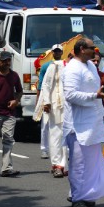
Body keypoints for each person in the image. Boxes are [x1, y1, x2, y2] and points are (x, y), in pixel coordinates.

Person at [62, 36, 104, 207]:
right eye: (91, 48)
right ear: (80, 50)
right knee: (78, 164)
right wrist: (94, 96)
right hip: (77, 124)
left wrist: (100, 96)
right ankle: (77, 198)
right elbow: (70, 95)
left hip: (92, 122)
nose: (95, 51)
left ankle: (86, 195)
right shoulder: (72, 68)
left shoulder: (91, 66)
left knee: (91, 163)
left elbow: (95, 90)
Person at [36, 44, 68, 177]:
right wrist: (47, 103)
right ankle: (56, 165)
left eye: (59, 51)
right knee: (55, 135)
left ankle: (64, 165)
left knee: (66, 137)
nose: (57, 53)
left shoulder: (68, 66)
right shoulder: (50, 66)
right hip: (54, 106)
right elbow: (46, 85)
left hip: (67, 107)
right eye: (55, 51)